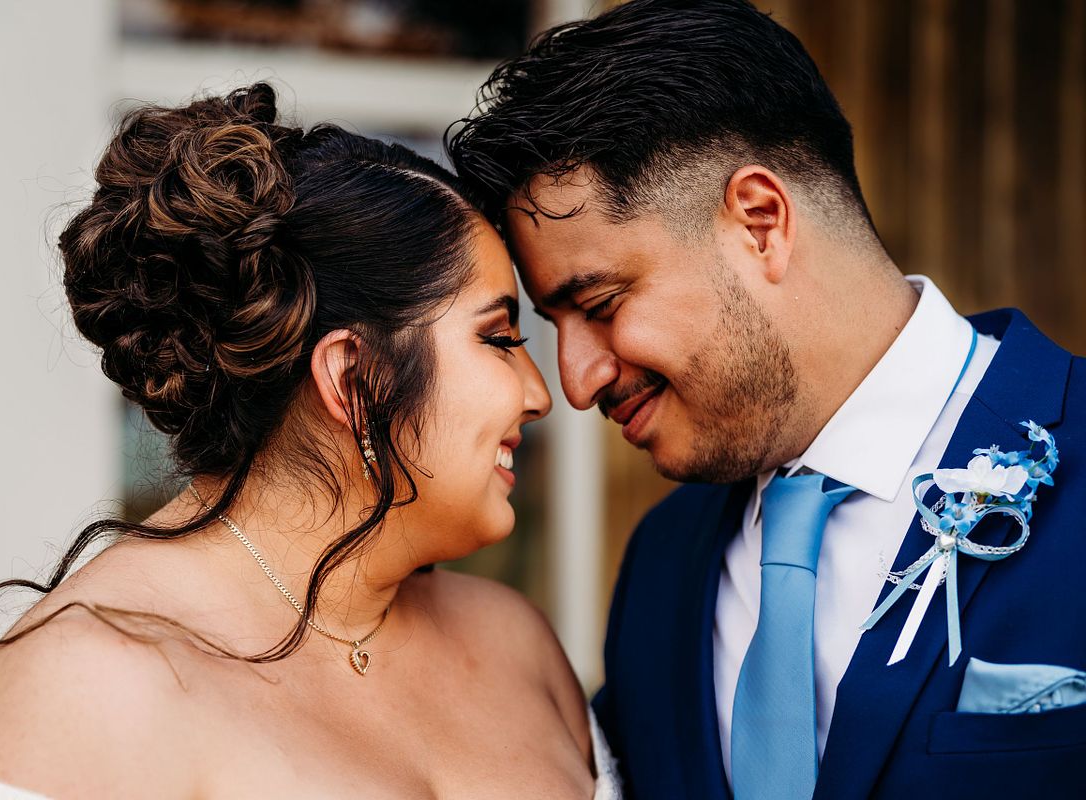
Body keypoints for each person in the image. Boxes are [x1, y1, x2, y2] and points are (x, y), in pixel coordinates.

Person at [0, 84, 621, 799]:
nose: (541, 393)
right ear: (354, 379)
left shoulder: (518, 647)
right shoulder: (78, 696)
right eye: (498, 338)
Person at [448, 0, 1086, 798]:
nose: (576, 382)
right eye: (554, 328)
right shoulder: (662, 565)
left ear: (760, 223)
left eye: (601, 304)